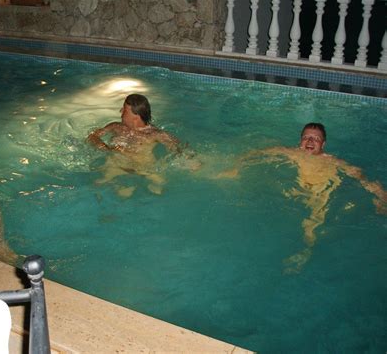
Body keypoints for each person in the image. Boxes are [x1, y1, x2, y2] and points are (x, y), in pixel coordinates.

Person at [217, 122, 386, 273]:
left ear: (323, 144)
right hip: (297, 189)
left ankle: (306, 251)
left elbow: (363, 178)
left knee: (313, 225)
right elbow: (257, 153)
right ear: (300, 141)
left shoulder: (333, 161)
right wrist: (236, 168)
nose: (310, 142)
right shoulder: (291, 153)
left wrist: (381, 197)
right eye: (306, 137)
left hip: (320, 192)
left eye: (316, 139)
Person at [87, 94, 184, 197]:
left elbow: (180, 149)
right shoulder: (116, 126)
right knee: (99, 188)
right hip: (116, 166)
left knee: (160, 191)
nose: (120, 112)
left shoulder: (154, 134)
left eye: (124, 110)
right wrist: (106, 148)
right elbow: (92, 136)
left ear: (136, 116)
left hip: (145, 170)